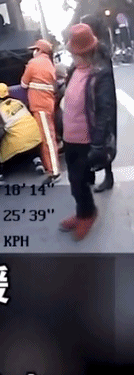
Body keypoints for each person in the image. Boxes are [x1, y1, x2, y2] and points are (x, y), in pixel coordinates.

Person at [59, 24, 116, 241]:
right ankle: (83, 212)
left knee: (79, 181)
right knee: (75, 182)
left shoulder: (100, 75)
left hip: (86, 140)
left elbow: (104, 112)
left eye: (74, 52)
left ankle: (87, 214)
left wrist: (98, 144)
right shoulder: (74, 71)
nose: (72, 55)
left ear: (84, 52)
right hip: (70, 139)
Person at [79, 14, 116, 192]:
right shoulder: (96, 46)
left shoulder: (98, 48)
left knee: (103, 136)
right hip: (98, 95)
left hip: (101, 96)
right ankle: (100, 175)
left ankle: (108, 177)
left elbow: (100, 73)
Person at [21, 39, 61, 183]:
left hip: (40, 105)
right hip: (46, 103)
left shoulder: (34, 63)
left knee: (48, 139)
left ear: (39, 50)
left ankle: (54, 172)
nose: (33, 52)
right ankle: (51, 169)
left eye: (35, 49)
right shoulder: (48, 63)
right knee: (47, 137)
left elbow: (23, 83)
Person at [0, 83, 42, 170]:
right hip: (36, 135)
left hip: (18, 140)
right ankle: (37, 160)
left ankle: (0, 171)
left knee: (3, 142)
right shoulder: (17, 102)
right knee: (27, 137)